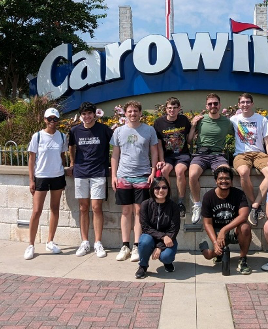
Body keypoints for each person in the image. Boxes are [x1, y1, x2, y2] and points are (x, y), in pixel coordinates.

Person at [111, 100, 160, 262]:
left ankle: (137, 246)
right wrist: (114, 176)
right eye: (130, 111)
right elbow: (115, 155)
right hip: (124, 176)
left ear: (140, 113)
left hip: (143, 176)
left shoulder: (149, 130)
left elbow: (154, 152)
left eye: (136, 111)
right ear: (125, 113)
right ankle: (125, 245)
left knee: (140, 212)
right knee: (126, 212)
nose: (133, 114)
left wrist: (153, 171)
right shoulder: (118, 131)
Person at [68, 102, 114, 258]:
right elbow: (71, 146)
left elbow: (116, 144)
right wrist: (73, 164)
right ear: (81, 116)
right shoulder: (75, 130)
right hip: (81, 172)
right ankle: (85, 242)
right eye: (84, 114)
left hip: (98, 172)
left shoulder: (103, 129)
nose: (87, 116)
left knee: (96, 207)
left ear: (95, 114)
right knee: (83, 208)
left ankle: (98, 243)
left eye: (89, 113)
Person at [24, 107, 70, 260]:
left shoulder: (62, 137)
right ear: (44, 120)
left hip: (57, 176)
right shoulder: (37, 136)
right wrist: (31, 180)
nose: (52, 122)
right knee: (36, 211)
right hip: (41, 176)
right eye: (49, 119)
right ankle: (30, 244)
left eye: (55, 119)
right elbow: (31, 159)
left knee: (55, 208)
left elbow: (62, 156)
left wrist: (66, 169)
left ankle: (50, 241)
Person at [230, 93, 268, 226]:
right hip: (241, 154)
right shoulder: (234, 119)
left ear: (252, 104)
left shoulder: (262, 120)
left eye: (248, 102)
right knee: (244, 172)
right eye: (242, 102)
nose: (245, 105)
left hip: (259, 154)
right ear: (239, 104)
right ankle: (255, 205)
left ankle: (255, 206)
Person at [187, 94, 234, 224]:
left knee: (225, 175)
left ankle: (225, 205)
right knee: (192, 175)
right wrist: (193, 125)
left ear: (219, 105)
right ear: (206, 106)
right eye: (210, 104)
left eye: (215, 103)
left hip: (218, 155)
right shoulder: (200, 120)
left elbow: (240, 135)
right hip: (200, 155)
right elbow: (189, 140)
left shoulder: (227, 122)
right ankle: (197, 204)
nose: (213, 106)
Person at [198, 165, 252, 275]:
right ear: (216, 181)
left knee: (245, 227)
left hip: (233, 230)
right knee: (208, 254)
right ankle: (219, 253)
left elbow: (244, 216)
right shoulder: (208, 196)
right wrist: (215, 242)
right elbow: (207, 224)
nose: (224, 181)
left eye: (227, 178)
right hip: (216, 231)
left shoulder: (238, 194)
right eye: (220, 179)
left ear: (231, 181)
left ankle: (242, 260)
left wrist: (224, 230)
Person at [135, 176, 181, 279]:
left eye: (164, 187)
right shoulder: (145, 204)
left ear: (168, 189)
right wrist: (163, 237)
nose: (161, 190)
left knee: (166, 256)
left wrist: (160, 247)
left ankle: (167, 262)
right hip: (151, 236)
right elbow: (145, 227)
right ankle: (143, 266)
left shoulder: (173, 206)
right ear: (152, 189)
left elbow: (174, 229)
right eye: (157, 188)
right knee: (144, 241)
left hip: (169, 238)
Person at [154, 97, 192, 218]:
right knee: (164, 171)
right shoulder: (159, 122)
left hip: (182, 154)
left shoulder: (184, 120)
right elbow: (159, 144)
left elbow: (190, 138)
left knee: (180, 171)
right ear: (166, 109)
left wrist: (195, 125)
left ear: (179, 108)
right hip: (168, 156)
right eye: (170, 108)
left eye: (175, 108)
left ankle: (181, 201)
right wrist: (161, 160)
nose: (172, 110)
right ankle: (168, 198)